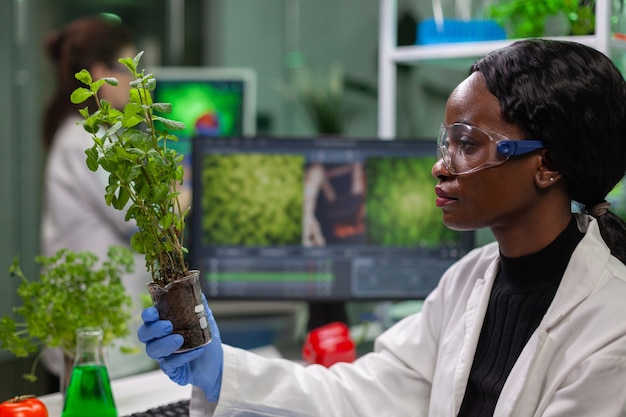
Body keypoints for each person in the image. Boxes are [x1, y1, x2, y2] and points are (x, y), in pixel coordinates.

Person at [138, 38, 626, 416]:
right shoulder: (470, 280)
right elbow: (366, 393)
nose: (441, 166)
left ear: (548, 165)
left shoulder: (611, 326)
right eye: (445, 142)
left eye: (468, 144)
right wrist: (221, 371)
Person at [41, 14, 155, 380]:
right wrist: (194, 191)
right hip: (102, 343)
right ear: (100, 73)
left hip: (109, 334)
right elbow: (140, 217)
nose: (135, 82)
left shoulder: (94, 134)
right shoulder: (85, 140)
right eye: (127, 70)